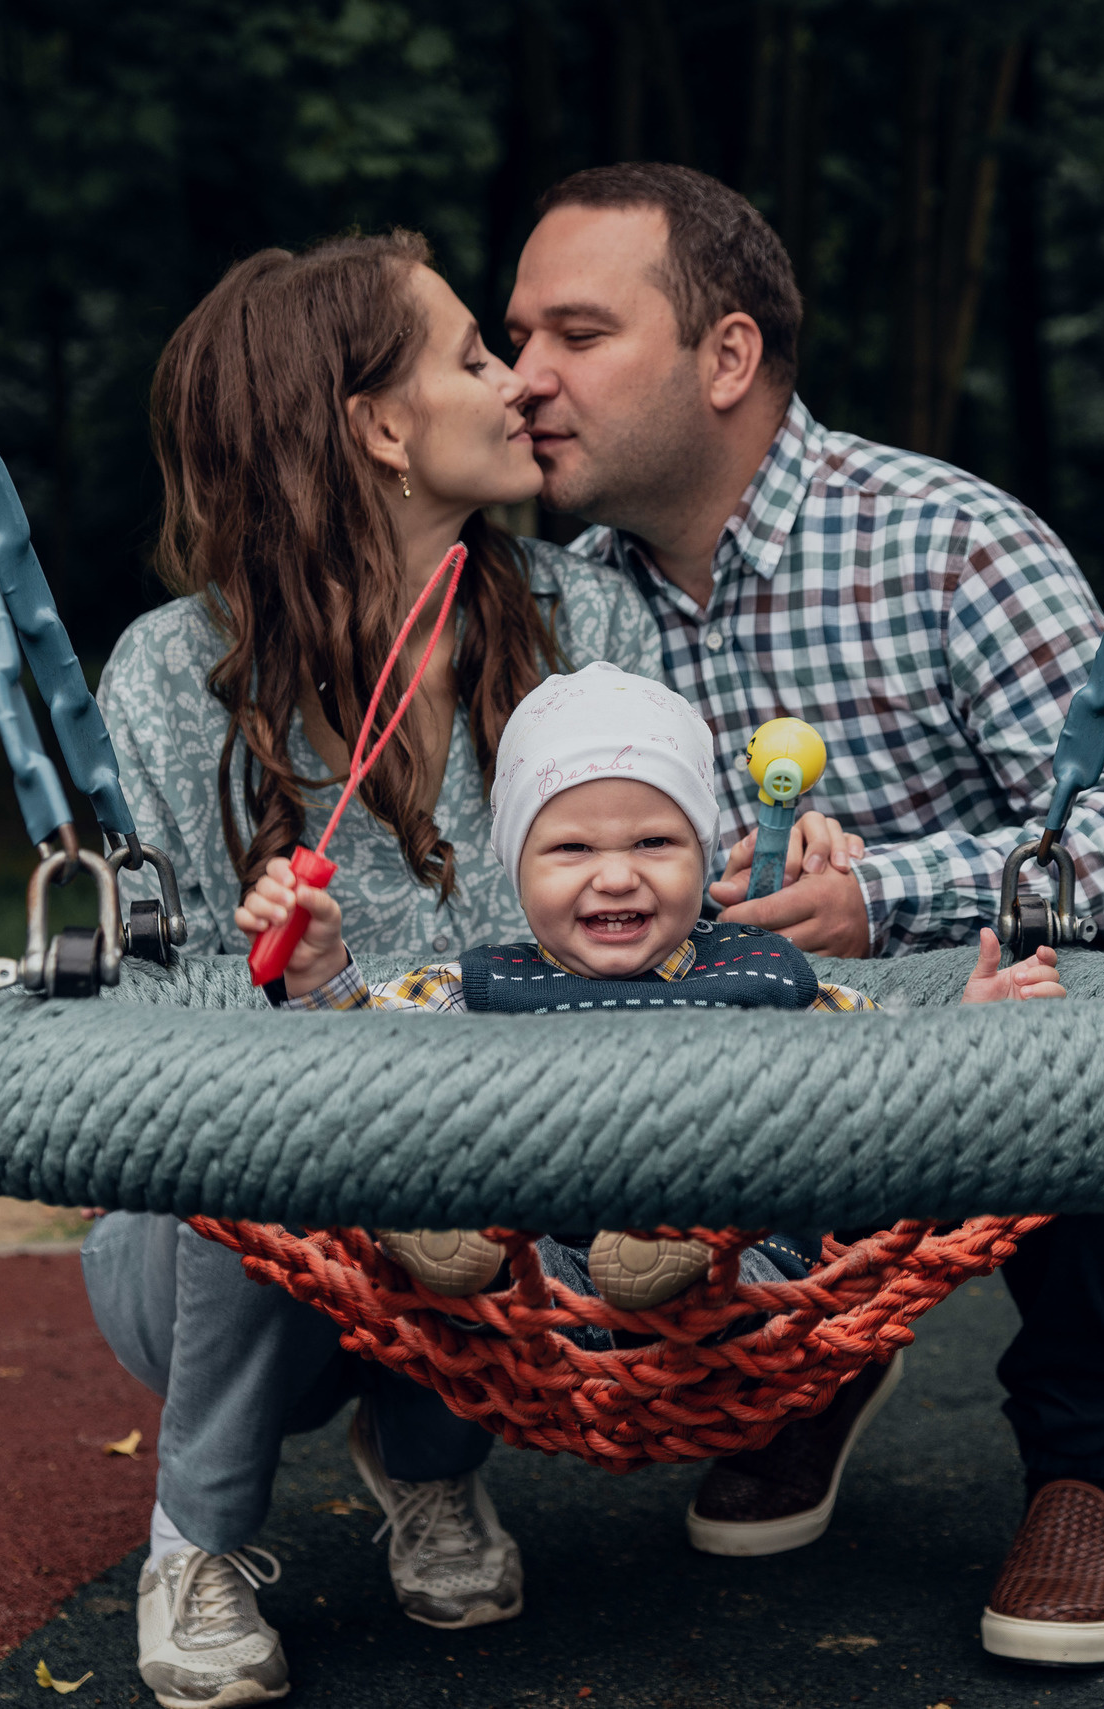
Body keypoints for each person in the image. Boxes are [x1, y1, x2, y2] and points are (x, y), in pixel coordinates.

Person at [505, 164, 1104, 1667]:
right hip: (733, 1076)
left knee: (1074, 1020)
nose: (526, 380)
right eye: (515, 339)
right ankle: (795, 1360)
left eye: (575, 332)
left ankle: (1083, 1470)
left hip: (970, 1047)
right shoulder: (565, 608)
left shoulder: (948, 543)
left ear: (729, 357)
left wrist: (881, 892)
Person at [89, 232, 660, 1709]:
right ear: (381, 430)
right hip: (229, 1255)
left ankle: (429, 1455)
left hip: (498, 1218)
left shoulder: (581, 625)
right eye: (475, 354)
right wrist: (296, 993)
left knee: (499, 1139)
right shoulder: (167, 676)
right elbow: (153, 1038)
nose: (521, 379)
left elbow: (648, 927)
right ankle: (196, 1539)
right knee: (258, 1107)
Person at [232, 661, 1067, 1311]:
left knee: (759, 1252)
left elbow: (892, 1071)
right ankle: (447, 1231)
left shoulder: (763, 972)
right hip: (538, 1277)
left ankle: (678, 1238)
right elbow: (357, 1067)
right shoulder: (476, 987)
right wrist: (316, 972)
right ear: (515, 872)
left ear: (704, 856)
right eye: (571, 851)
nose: (618, 876)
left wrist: (971, 1032)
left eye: (656, 842)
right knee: (467, 1241)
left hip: (740, 1263)